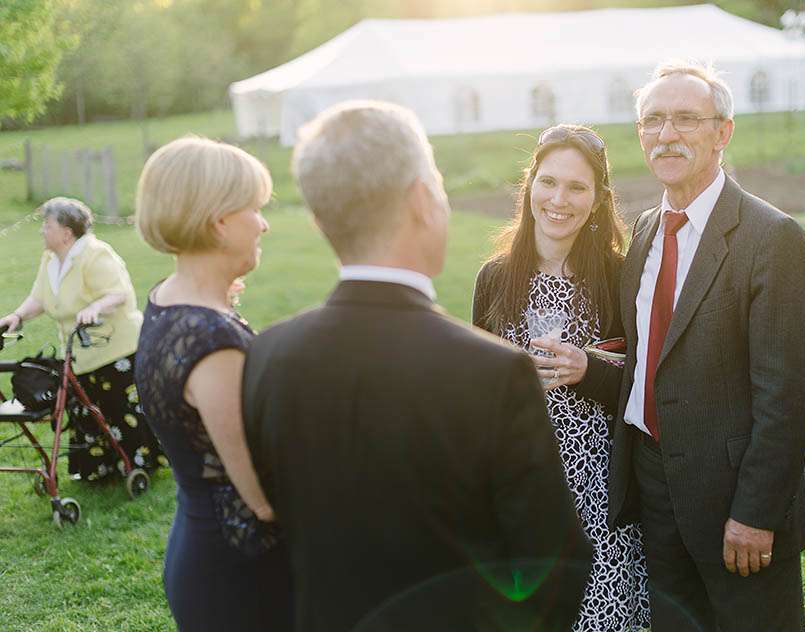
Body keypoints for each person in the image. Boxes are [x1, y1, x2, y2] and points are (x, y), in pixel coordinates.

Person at [241, 100, 592, 631]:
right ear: (424, 201)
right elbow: (557, 570)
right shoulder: (494, 374)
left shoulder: (267, 356)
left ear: (320, 217)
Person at [534, 61, 805, 631]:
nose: (667, 134)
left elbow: (786, 397)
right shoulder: (643, 232)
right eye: (653, 121)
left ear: (723, 132)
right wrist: (587, 368)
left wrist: (755, 514)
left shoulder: (772, 239)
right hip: (653, 492)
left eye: (687, 119)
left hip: (734, 500)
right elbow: (649, 368)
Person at [472, 124, 650, 631]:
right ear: (530, 186)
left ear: (597, 200)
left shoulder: (619, 276)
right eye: (548, 182)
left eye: (577, 187)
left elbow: (648, 385)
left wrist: (587, 369)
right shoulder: (495, 278)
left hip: (600, 493)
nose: (559, 200)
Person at [133, 136, 292, 631]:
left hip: (202, 541)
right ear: (220, 223)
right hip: (237, 576)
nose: (263, 223)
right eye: (254, 209)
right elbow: (262, 498)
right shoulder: (212, 342)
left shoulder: (168, 298)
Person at [0, 197, 164, 481]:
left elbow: (118, 293)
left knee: (119, 408)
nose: (42, 231)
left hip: (114, 347)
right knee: (87, 412)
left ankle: (137, 464)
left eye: (47, 225)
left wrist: (94, 308)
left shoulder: (95, 254)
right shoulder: (51, 259)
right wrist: (17, 316)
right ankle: (98, 469)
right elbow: (39, 297)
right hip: (79, 352)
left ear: (66, 231)